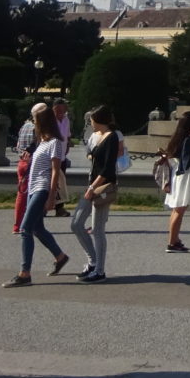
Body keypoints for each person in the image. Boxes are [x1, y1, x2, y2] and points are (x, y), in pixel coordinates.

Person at [2, 106, 70, 286]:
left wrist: (50, 198)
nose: (34, 124)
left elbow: (55, 171)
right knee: (37, 228)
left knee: (25, 229)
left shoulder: (55, 142)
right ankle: (60, 256)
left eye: (36, 121)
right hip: (33, 188)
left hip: (42, 189)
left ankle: (25, 273)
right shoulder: (42, 142)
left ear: (43, 122)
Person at [70, 105, 124, 282]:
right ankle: (93, 261)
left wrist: (93, 188)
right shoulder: (97, 136)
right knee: (76, 224)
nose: (90, 123)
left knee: (98, 229)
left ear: (100, 120)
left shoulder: (112, 137)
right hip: (92, 185)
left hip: (101, 188)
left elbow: (108, 168)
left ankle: (99, 270)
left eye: (92, 120)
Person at [162, 111, 190, 252]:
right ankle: (172, 243)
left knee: (176, 209)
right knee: (180, 209)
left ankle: (174, 239)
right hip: (186, 175)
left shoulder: (176, 138)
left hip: (176, 174)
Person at [13, 102, 46, 234]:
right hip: (32, 163)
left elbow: (17, 145)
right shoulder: (37, 128)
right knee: (32, 195)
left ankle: (18, 225)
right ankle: (27, 225)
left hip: (22, 162)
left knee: (21, 194)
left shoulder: (24, 126)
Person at [50, 98, 73, 216]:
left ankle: (59, 208)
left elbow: (68, 134)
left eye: (63, 110)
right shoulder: (49, 120)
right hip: (51, 156)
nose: (61, 112)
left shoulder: (66, 119)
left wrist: (68, 143)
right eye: (58, 110)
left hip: (62, 156)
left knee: (61, 183)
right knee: (48, 183)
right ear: (53, 108)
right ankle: (43, 208)